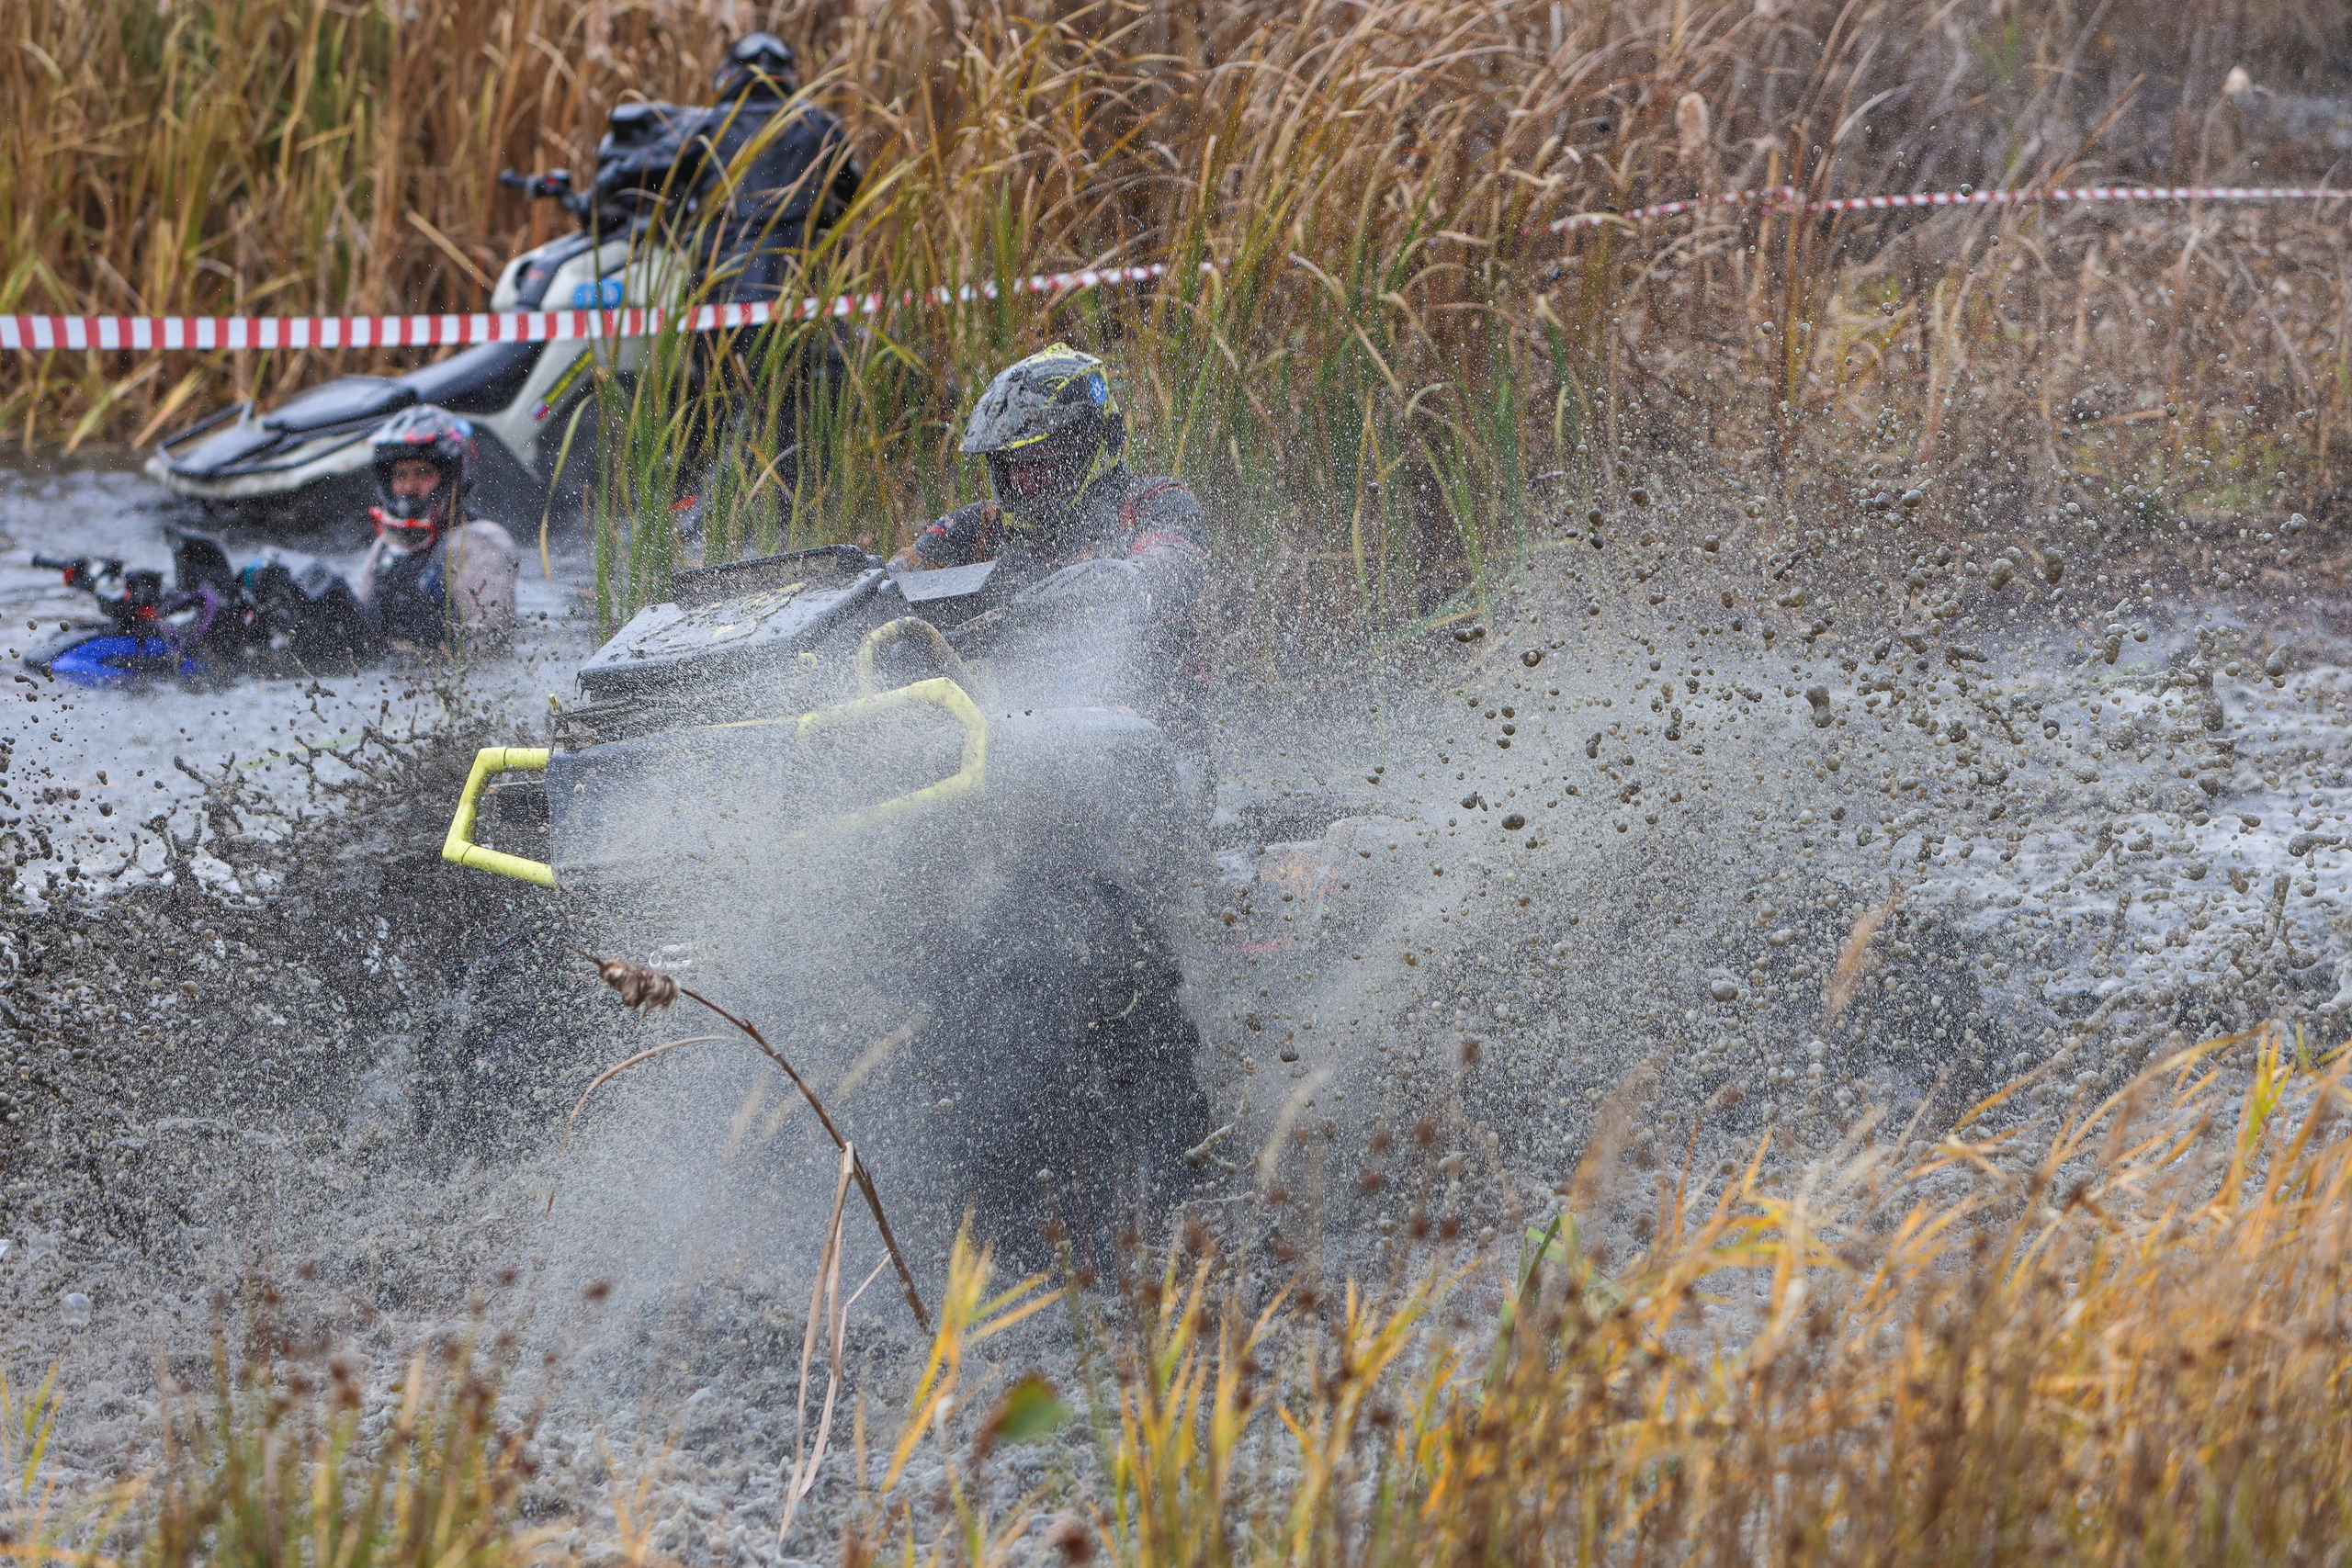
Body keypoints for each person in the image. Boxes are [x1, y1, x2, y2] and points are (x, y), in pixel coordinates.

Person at [890, 344, 1207, 715]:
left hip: (1152, 737)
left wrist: (1096, 587)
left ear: (1088, 444)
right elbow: (896, 583)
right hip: (1018, 737)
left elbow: (1170, 571)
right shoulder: (981, 525)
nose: (1022, 480)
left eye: (1037, 461)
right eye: (1010, 465)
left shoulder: (1157, 501)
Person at [356, 406, 519, 650]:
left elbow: (489, 641)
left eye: (423, 473)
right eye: (400, 475)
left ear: (451, 476)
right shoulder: (385, 545)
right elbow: (362, 631)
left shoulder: (480, 542)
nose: (409, 487)